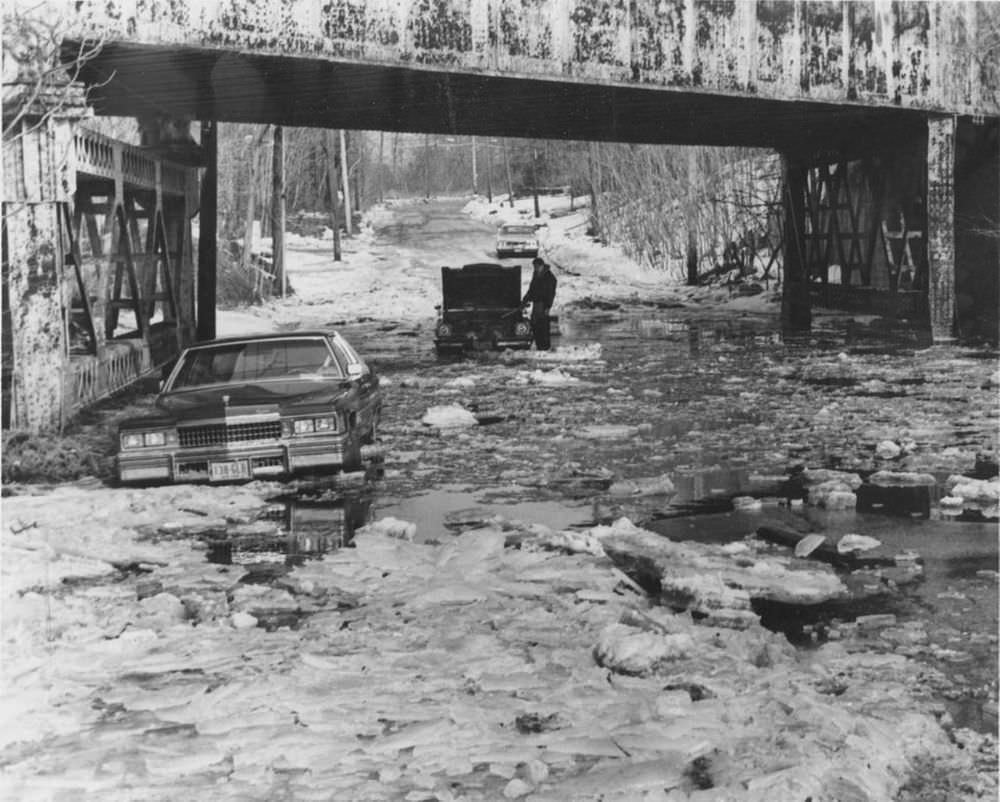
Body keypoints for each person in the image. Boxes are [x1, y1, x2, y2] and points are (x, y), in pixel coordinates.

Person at [521, 257, 557, 350]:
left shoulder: (549, 277)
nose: (535, 268)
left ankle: (545, 346)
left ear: (542, 266)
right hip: (536, 303)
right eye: (534, 267)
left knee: (543, 325)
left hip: (543, 304)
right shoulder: (536, 275)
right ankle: (539, 345)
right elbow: (532, 289)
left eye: (537, 266)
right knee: (534, 324)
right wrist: (525, 300)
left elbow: (551, 293)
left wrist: (548, 307)